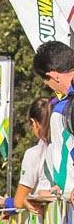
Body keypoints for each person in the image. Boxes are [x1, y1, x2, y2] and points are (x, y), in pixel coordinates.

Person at [32, 41, 74, 200]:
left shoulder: (62, 111)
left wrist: (62, 188)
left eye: (48, 84)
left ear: (53, 76)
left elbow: (62, 167)